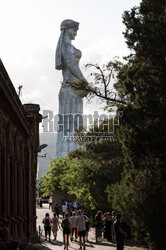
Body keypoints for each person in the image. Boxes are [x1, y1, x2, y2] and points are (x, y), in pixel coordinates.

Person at [55, 19, 85, 157]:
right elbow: (71, 65)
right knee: (69, 127)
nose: (76, 34)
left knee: (76, 125)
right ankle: (67, 159)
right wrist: (83, 81)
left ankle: (76, 159)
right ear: (66, 30)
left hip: (74, 89)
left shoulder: (68, 46)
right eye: (74, 30)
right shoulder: (66, 46)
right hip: (69, 88)